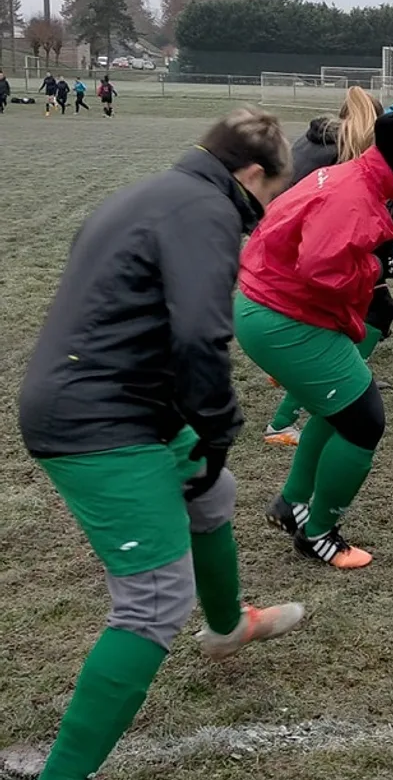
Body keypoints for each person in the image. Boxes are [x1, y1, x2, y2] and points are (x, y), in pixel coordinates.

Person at [17, 107, 305, 780]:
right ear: (252, 174)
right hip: (96, 419)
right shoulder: (205, 211)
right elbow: (200, 337)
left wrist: (199, 446)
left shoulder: (152, 193)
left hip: (125, 399)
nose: (263, 211)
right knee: (152, 601)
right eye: (268, 195)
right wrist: (216, 429)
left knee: (214, 493)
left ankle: (228, 628)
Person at [235, 110, 393, 569]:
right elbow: (321, 269)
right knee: (364, 421)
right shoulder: (355, 197)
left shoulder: (349, 175)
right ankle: (320, 533)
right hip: (282, 315)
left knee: (340, 409)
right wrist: (374, 265)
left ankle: (292, 503)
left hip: (271, 307)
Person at [263, 88, 393, 447]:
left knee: (363, 318)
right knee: (355, 323)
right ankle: (285, 418)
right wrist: (377, 255)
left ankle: (314, 382)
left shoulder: (321, 144)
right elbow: (335, 219)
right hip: (299, 260)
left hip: (284, 255)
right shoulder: (343, 159)